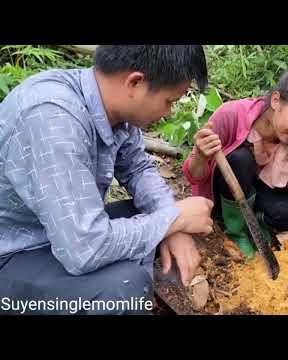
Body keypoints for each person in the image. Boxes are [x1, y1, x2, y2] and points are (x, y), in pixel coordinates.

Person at [0, 45, 213, 314]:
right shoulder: (53, 119)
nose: (169, 112)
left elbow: (138, 169)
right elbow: (84, 249)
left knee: (157, 212)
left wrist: (172, 221)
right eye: (169, 101)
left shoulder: (112, 108)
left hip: (61, 234)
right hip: (15, 251)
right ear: (135, 82)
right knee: (124, 289)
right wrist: (171, 220)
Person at [183, 67, 288, 260]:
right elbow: (194, 176)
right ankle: (236, 229)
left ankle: (255, 224)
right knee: (240, 160)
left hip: (255, 194)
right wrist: (200, 156)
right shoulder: (231, 114)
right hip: (224, 191)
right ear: (276, 100)